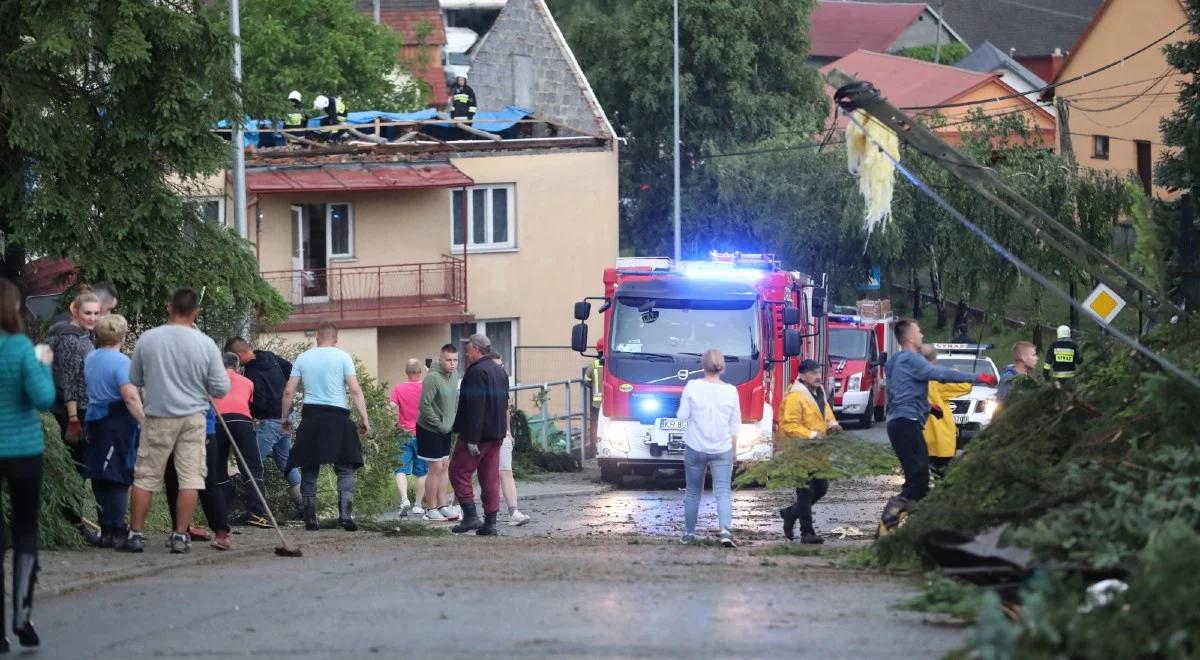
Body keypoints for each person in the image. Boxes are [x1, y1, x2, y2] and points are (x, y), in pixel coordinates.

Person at [123, 288, 230, 554]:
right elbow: (221, 388)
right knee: (191, 478)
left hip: (158, 415)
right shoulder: (205, 343)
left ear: (169, 307)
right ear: (196, 312)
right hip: (193, 418)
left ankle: (135, 533)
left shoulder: (148, 339)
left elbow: (135, 379)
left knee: (146, 476)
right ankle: (180, 535)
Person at [880, 320, 995, 534]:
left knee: (918, 481)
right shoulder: (912, 358)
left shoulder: (894, 361)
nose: (922, 333)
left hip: (897, 423)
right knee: (919, 480)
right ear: (910, 338)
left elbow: (901, 392)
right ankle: (890, 515)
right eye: (919, 330)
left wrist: (929, 407)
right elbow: (941, 375)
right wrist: (978, 377)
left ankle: (899, 532)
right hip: (908, 423)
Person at [0, 278, 57, 649]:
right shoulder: (20, 347)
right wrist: (44, 364)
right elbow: (43, 398)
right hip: (22, 450)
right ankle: (22, 615)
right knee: (24, 530)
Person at [282, 322, 371, 532]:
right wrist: (364, 418)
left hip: (312, 418)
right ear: (336, 339)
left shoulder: (303, 358)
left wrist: (284, 418)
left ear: (317, 338)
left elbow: (288, 391)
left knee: (309, 467)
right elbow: (355, 390)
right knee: (345, 467)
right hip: (339, 418)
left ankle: (311, 519)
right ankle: (345, 516)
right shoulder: (343, 357)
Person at [82, 314, 144, 549]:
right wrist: (145, 423)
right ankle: (117, 529)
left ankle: (105, 527)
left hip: (94, 417)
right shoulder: (120, 362)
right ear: (123, 335)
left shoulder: (91, 357)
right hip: (117, 422)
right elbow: (129, 397)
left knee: (100, 475)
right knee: (118, 477)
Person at [48, 288, 104, 546]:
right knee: (77, 468)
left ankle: (74, 521)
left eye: (96, 313)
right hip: (74, 410)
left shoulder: (83, 334)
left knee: (80, 466)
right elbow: (70, 380)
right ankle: (74, 523)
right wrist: (73, 418)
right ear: (75, 311)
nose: (92, 318)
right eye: (88, 313)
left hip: (82, 406)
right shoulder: (71, 339)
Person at [226, 337, 302, 513]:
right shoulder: (271, 356)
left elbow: (256, 403)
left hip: (270, 422)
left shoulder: (251, 374)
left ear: (237, 355)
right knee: (286, 462)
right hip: (288, 416)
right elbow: (292, 372)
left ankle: (254, 509)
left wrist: (252, 416)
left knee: (250, 463)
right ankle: (305, 503)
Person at [676, 349, 740, 548]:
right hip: (722, 448)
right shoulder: (731, 390)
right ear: (722, 366)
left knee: (693, 492)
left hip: (695, 446)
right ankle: (725, 532)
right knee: (723, 492)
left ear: (702, 365)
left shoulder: (692, 387)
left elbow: (682, 416)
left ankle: (688, 533)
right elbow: (735, 425)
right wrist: (734, 451)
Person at [448, 334, 509, 536]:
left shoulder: (476, 373)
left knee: (458, 471)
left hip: (477, 435)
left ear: (477, 349)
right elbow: (504, 404)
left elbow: (475, 407)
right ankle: (490, 522)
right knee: (490, 477)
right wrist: (505, 431)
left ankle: (471, 516)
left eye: (468, 348)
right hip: (496, 435)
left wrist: (472, 438)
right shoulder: (500, 372)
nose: (465, 352)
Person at [777, 359, 841, 544]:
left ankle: (790, 513)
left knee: (821, 488)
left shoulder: (818, 391)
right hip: (799, 450)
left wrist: (833, 425)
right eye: (813, 373)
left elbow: (825, 412)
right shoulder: (795, 396)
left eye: (818, 372)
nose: (818, 376)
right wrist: (812, 435)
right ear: (803, 375)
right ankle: (807, 533)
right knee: (805, 491)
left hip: (816, 451)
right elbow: (789, 425)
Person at [209, 351, 269, 546]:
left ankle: (222, 511)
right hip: (242, 421)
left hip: (218, 421)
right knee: (252, 465)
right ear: (238, 367)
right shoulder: (247, 382)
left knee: (218, 467)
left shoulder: (211, 380)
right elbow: (247, 403)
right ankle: (257, 511)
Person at [417, 345, 461, 522]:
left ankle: (443, 506)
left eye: (455, 360)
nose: (452, 364)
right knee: (435, 468)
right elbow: (424, 406)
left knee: (444, 466)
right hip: (429, 428)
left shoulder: (455, 376)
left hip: (446, 429)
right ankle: (430, 508)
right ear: (441, 360)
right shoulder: (432, 378)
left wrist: (452, 422)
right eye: (449, 360)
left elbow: (454, 400)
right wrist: (439, 424)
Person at [918, 344, 972, 479]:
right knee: (941, 479)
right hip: (940, 442)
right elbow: (965, 385)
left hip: (919, 440)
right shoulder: (937, 380)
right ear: (934, 361)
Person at [491, 353, 529, 526]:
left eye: (502, 366)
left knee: (506, 471)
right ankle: (457, 506)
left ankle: (513, 511)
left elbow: (505, 409)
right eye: (496, 366)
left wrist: (508, 432)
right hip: (482, 436)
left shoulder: (502, 385)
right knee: (470, 473)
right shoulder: (479, 383)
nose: (501, 370)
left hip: (500, 434)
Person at [389, 359, 428, 516]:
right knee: (422, 472)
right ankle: (418, 505)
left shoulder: (399, 388)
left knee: (400, 469)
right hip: (423, 435)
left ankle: (404, 499)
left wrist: (391, 424)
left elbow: (390, 406)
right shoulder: (426, 388)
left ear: (406, 372)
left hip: (403, 435)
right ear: (420, 372)